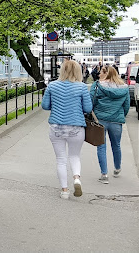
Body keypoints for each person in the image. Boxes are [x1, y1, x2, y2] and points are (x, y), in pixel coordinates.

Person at [42, 60, 93, 199]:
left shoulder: (52, 85)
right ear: (78, 71)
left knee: (61, 159)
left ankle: (64, 190)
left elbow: (45, 106)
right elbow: (88, 108)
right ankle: (76, 178)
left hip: (56, 127)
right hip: (76, 127)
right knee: (75, 156)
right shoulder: (81, 87)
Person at [90, 66, 130, 184]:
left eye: (101, 72)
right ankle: (117, 169)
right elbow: (126, 105)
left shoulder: (97, 85)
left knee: (101, 146)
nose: (98, 74)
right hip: (116, 120)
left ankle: (104, 174)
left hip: (100, 120)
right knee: (116, 145)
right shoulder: (124, 88)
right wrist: (121, 116)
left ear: (106, 73)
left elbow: (91, 101)